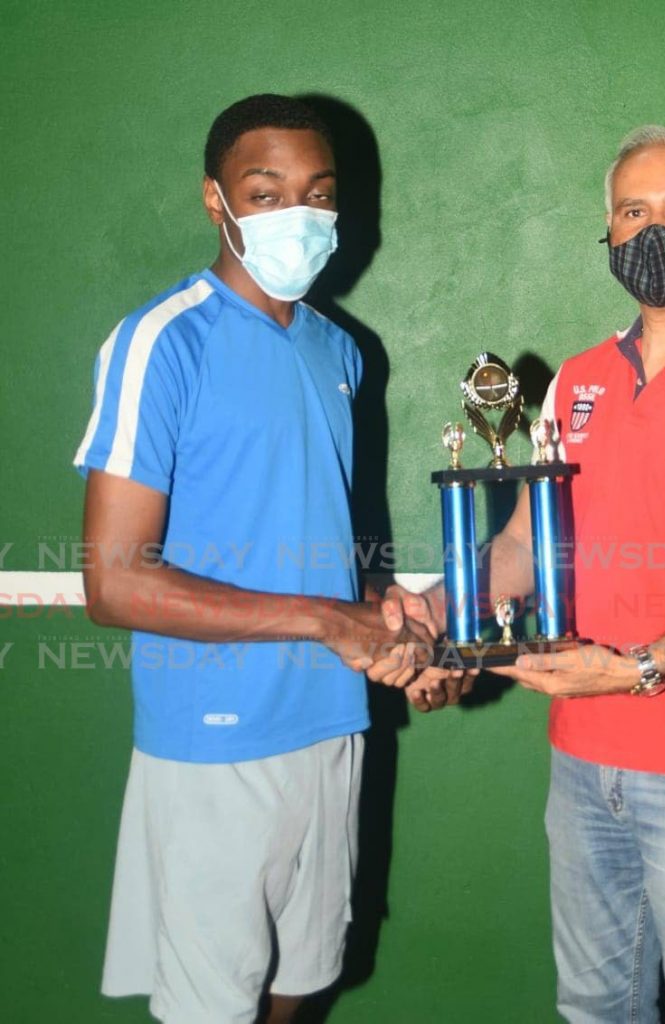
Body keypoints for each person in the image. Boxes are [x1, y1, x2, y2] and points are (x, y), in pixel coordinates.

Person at [391, 125, 665, 1022]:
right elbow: (524, 547)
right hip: (583, 762)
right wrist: (434, 618)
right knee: (596, 1009)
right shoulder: (577, 382)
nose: (655, 232)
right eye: (632, 213)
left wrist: (638, 666)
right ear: (606, 230)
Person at [73, 93, 441, 1024]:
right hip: (215, 737)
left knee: (303, 983)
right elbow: (113, 582)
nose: (299, 213)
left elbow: (326, 545)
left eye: (318, 193)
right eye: (266, 190)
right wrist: (331, 621)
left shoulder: (341, 351)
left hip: (331, 719)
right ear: (216, 199)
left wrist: (392, 622)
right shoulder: (163, 342)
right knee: (211, 1005)